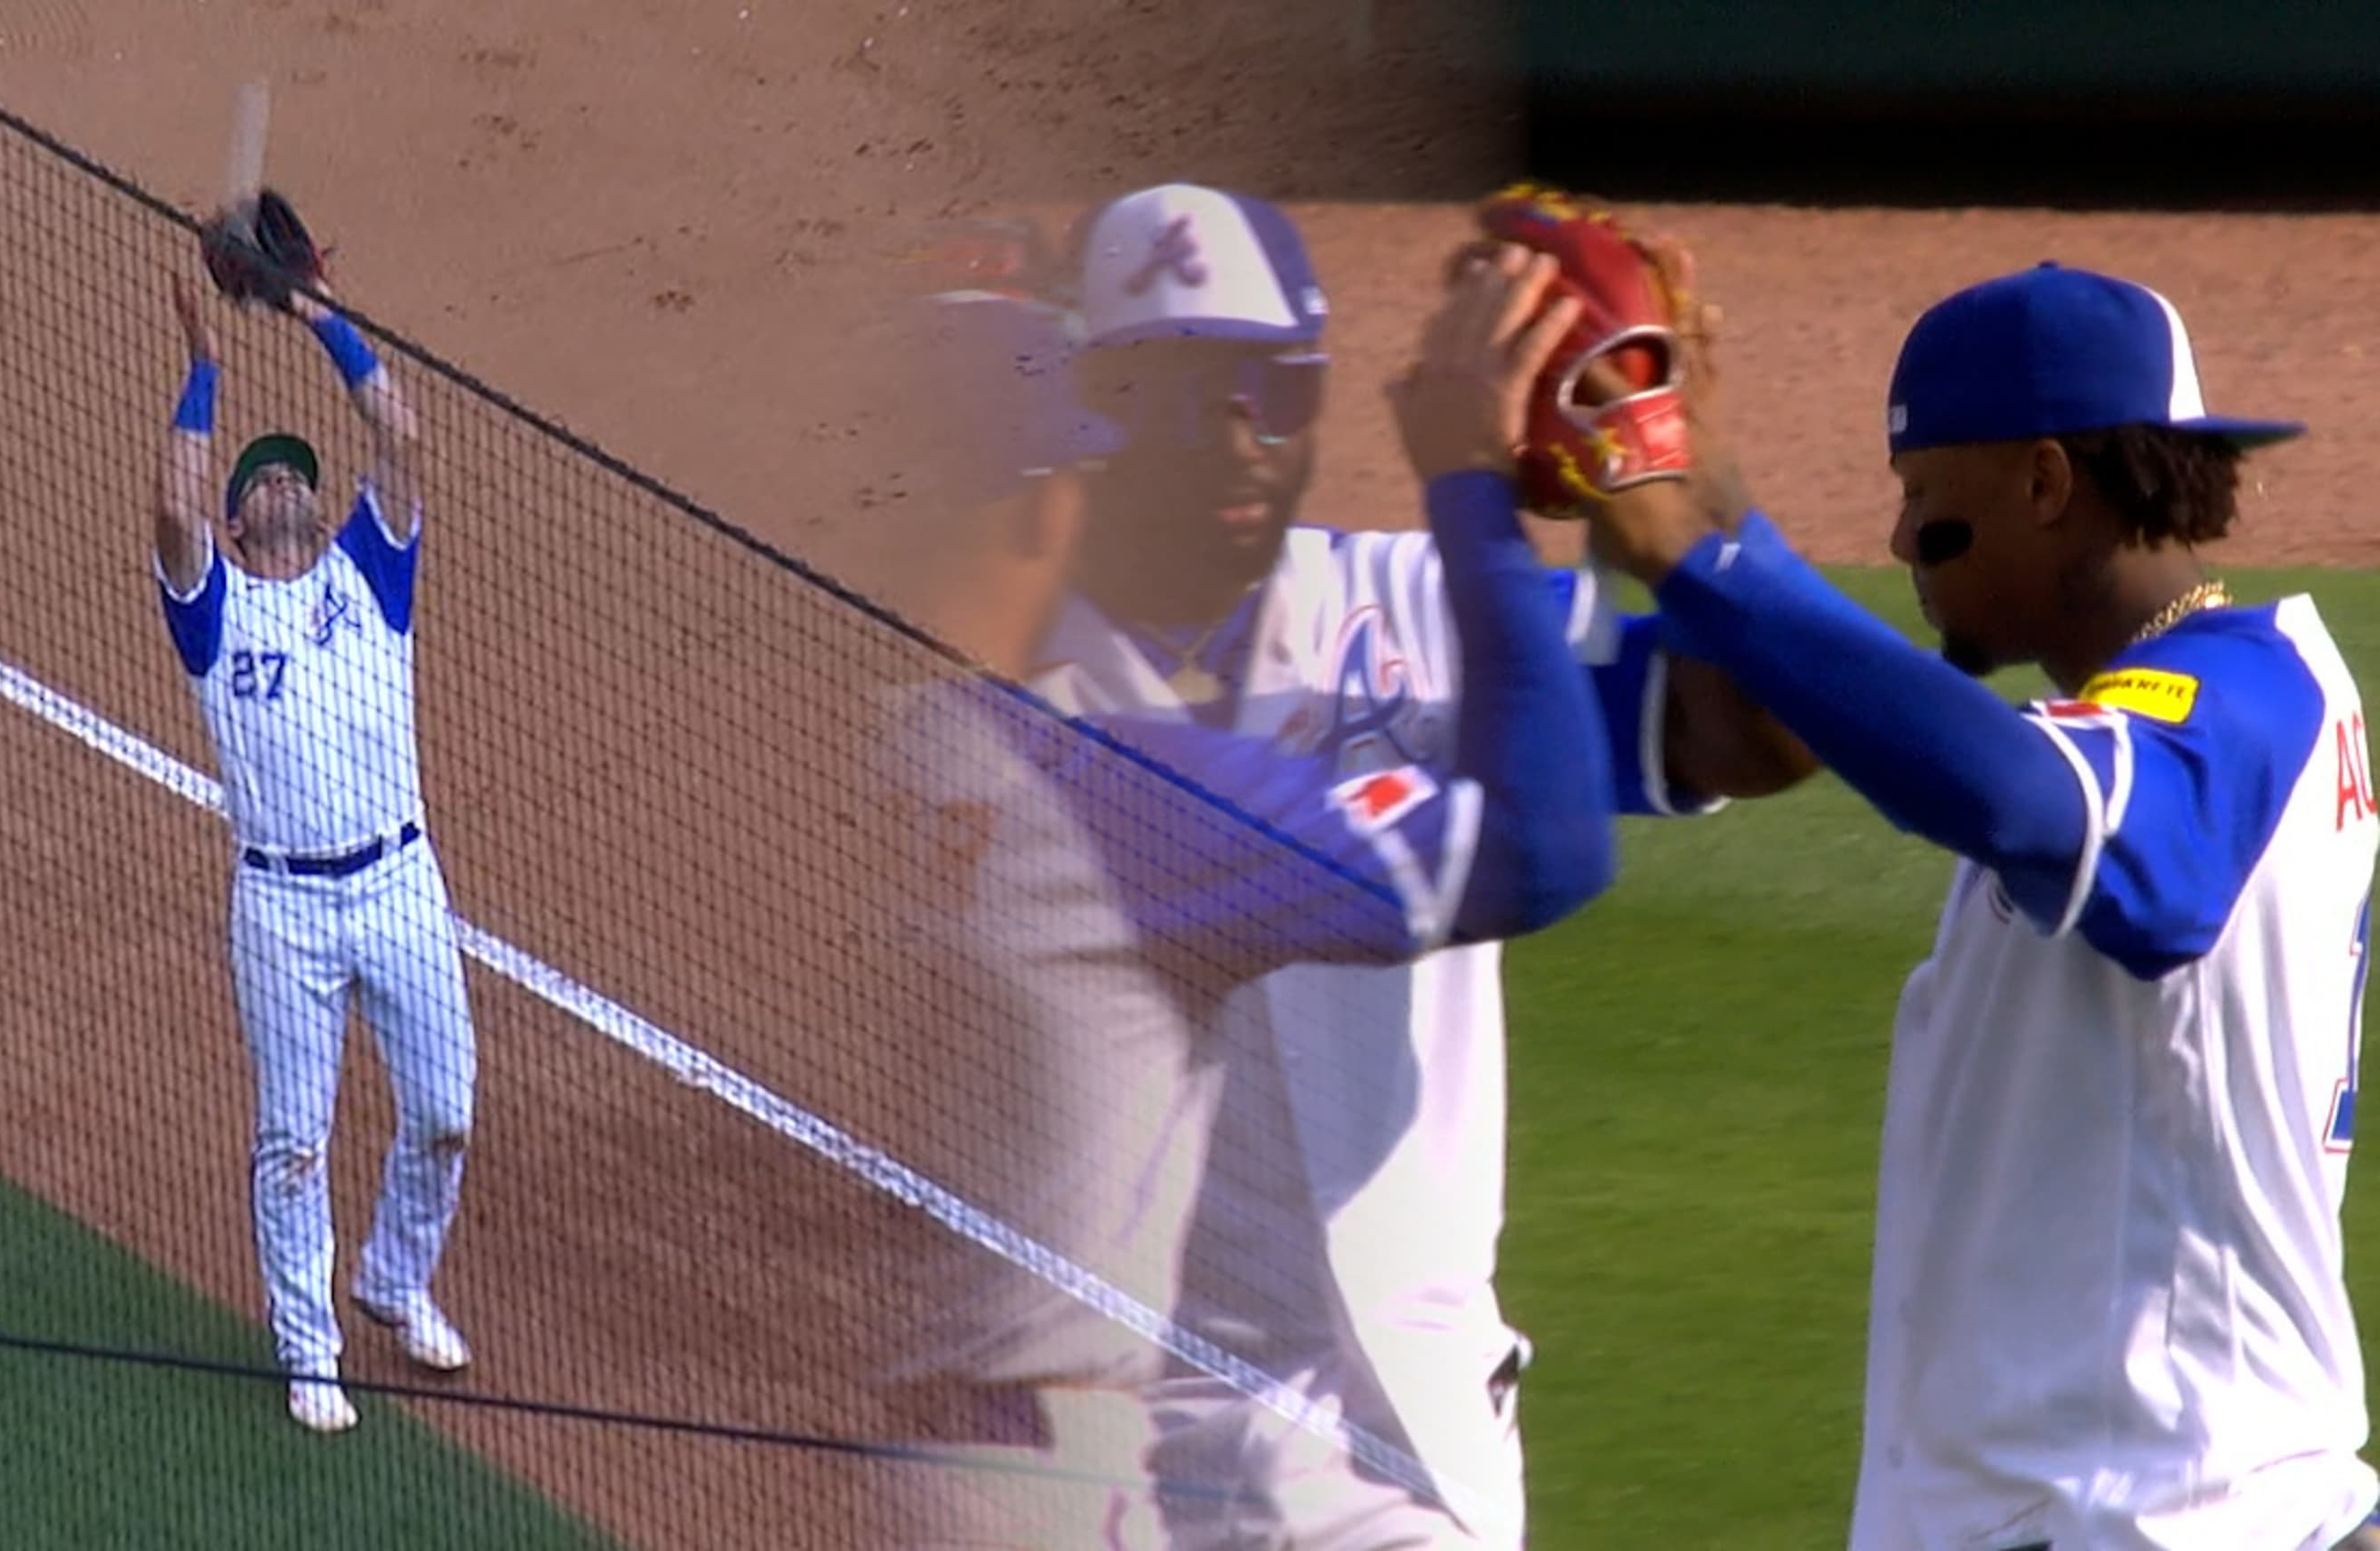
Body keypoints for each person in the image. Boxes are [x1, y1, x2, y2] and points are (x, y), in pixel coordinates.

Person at [1030, 183, 1815, 1549]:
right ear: (1096, 399)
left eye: (1271, 388)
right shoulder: (1017, 678)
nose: (1230, 437)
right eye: (1171, 389)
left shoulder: (1424, 607)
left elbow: (1762, 734)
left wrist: (1687, 462)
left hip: (1411, 1443)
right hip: (1114, 1446)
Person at [1567, 257, 2380, 1550]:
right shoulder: (2194, 703)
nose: (1899, 548)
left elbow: (2019, 800)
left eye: (1924, 500)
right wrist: (1714, 501)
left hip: (2171, 1513)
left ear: (2046, 482)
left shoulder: (2245, 700)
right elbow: (1941, 736)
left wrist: (1691, 560)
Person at [860, 231, 1639, 1544]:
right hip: (1057, 1484)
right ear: (1049, 503)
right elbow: (1544, 850)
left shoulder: (798, 753)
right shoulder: (1102, 799)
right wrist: (1487, 494)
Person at [152, 268, 479, 1435]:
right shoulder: (213, 610)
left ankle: (395, 1280)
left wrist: (316, 311)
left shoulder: (370, 571)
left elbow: (403, 431)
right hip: (283, 914)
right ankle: (309, 1349)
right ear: (242, 524)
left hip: (398, 881)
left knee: (445, 1109)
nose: (283, 479)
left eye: (295, 470)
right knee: (296, 1139)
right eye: (263, 478)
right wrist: (204, 374)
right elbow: (172, 514)